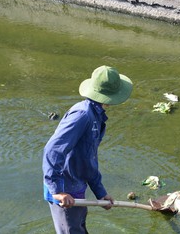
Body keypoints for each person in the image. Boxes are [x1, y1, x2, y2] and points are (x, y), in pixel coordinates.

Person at [42, 65, 133, 233]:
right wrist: (58, 191)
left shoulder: (96, 116)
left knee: (79, 227)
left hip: (76, 185)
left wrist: (100, 192)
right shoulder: (83, 115)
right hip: (65, 191)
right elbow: (53, 150)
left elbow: (88, 158)